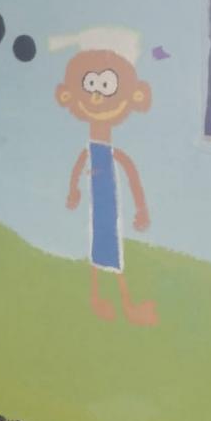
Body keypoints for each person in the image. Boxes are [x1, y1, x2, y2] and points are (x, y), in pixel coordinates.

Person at [50, 27, 157, 326]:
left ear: (135, 95)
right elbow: (79, 167)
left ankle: (124, 302)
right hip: (99, 204)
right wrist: (73, 191)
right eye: (90, 84)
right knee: (100, 245)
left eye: (106, 85)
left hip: (109, 202)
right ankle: (101, 298)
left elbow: (131, 174)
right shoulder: (92, 151)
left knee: (110, 247)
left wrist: (142, 209)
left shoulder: (112, 154)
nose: (96, 95)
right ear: (68, 94)